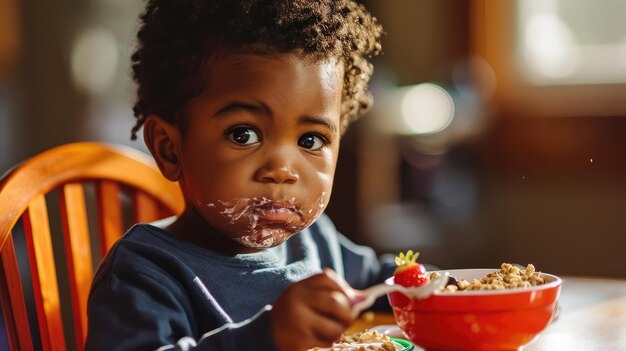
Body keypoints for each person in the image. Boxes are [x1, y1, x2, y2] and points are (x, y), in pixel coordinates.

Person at [86, 1, 394, 350]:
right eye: (243, 134)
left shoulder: (313, 242)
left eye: (310, 140)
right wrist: (268, 337)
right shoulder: (146, 273)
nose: (282, 170)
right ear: (170, 149)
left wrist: (441, 285)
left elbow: (382, 281)